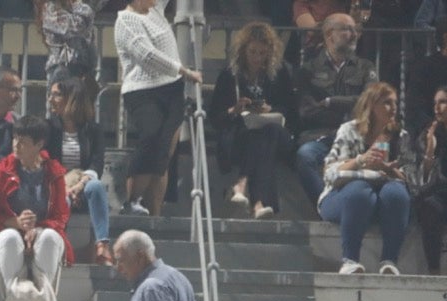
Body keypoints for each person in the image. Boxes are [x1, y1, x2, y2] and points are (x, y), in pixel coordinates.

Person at [114, 0, 201, 216]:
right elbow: (147, 55)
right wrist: (184, 71)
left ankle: (156, 212)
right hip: (142, 91)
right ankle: (133, 201)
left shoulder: (155, 10)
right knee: (151, 137)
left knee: (165, 150)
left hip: (171, 90)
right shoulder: (126, 20)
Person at [320, 82, 411, 276]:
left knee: (396, 192)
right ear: (372, 105)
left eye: (395, 103)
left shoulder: (401, 136)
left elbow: (409, 179)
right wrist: (361, 160)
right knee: (359, 190)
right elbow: (330, 172)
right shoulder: (349, 130)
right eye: (387, 103)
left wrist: (389, 170)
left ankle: (389, 261)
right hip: (344, 197)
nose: (393, 108)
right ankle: (350, 260)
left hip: (383, 199)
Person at [209, 22, 295, 222]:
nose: (257, 58)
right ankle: (259, 204)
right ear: (243, 51)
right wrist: (235, 109)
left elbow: (291, 110)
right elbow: (216, 117)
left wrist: (270, 109)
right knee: (260, 138)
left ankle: (241, 184)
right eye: (253, 52)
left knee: (269, 131)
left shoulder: (280, 74)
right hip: (240, 135)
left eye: (263, 53)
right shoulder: (229, 76)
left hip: (275, 131)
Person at [0, 116, 70, 301]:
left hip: (42, 231)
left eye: (23, 141)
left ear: (39, 144)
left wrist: (38, 229)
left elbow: (61, 216)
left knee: (50, 238)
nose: (16, 145)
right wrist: (13, 222)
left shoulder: (54, 172)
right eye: (15, 139)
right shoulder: (3, 169)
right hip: (9, 230)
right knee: (9, 238)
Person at [294, 12, 378, 209]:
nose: (354, 34)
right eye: (347, 29)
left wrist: (329, 102)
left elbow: (370, 102)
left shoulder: (365, 67)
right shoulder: (308, 69)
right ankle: (327, 205)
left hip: (356, 135)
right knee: (305, 155)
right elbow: (306, 111)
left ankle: (336, 206)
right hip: (320, 135)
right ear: (329, 34)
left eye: (355, 29)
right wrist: (348, 108)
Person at [46, 76, 112, 264]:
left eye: (57, 95)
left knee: (97, 186)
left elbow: (96, 164)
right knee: (62, 198)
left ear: (72, 98)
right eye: (51, 95)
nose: (51, 100)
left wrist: (79, 185)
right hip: (58, 186)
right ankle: (59, 248)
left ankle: (102, 246)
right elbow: (47, 163)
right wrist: (65, 187)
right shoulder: (49, 127)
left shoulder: (93, 130)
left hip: (82, 186)